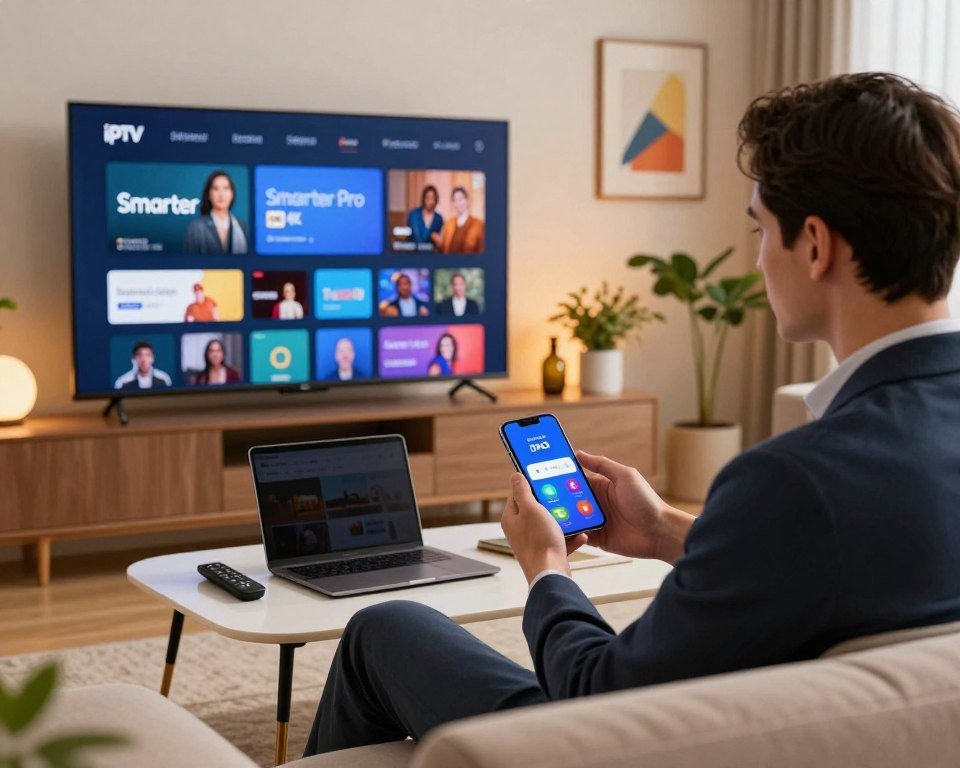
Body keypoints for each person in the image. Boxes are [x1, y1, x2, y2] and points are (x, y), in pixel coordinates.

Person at [302, 73, 960, 757]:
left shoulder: (796, 480)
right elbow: (827, 564)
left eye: (761, 229)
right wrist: (667, 531)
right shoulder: (839, 479)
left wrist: (545, 568)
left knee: (385, 627)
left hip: (640, 747)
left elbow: (596, 693)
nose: (760, 257)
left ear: (817, 245)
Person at [184, 170, 249, 254]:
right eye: (216, 189)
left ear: (232, 194)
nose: (221, 194)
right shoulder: (196, 227)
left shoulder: (243, 227)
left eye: (225, 188)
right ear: (209, 194)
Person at [439, 186, 484, 253]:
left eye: (460, 199)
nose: (458, 203)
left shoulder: (478, 225)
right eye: (455, 200)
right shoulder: (448, 224)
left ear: (467, 200)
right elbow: (443, 249)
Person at [405, 185, 444, 249]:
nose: (430, 201)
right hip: (413, 253)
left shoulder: (438, 219)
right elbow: (416, 237)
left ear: (436, 200)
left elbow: (439, 243)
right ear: (423, 199)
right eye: (427, 197)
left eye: (432, 198)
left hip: (431, 255)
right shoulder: (414, 215)